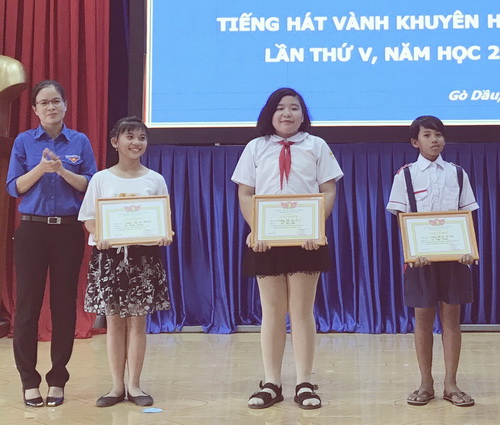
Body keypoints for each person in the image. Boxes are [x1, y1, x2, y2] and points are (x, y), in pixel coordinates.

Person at [231, 88, 343, 409]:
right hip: (266, 240)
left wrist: (315, 226)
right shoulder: (255, 147)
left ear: (303, 115)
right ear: (270, 113)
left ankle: (304, 383)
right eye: (280, 108)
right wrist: (256, 229)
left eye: (294, 108)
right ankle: (272, 383)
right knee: (272, 311)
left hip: (307, 239)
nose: (287, 113)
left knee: (302, 311)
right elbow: (245, 193)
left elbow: (328, 190)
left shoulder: (316, 145)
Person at [6, 80, 97, 407]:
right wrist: (42, 168)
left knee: (63, 307)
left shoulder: (80, 141)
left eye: (56, 101)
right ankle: (29, 381)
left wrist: (61, 171)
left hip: (67, 232)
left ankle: (58, 379)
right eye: (44, 103)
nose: (51, 107)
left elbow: (90, 184)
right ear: (35, 109)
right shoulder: (24, 141)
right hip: (32, 231)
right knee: (27, 308)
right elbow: (14, 187)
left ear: (65, 105)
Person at [78, 116, 171, 407]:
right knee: (115, 322)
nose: (136, 143)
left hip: (144, 258)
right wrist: (101, 234)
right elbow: (89, 219)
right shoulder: (101, 179)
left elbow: (163, 219)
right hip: (110, 258)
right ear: (115, 142)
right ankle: (116, 387)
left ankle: (135, 386)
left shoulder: (155, 179)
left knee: (138, 323)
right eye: (129, 137)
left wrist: (165, 233)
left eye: (141, 137)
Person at [386, 115, 478, 407]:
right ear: (415, 142)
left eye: (438, 134)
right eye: (427, 135)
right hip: (420, 261)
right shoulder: (406, 175)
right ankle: (426, 383)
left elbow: (466, 216)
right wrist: (413, 251)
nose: (434, 140)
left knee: (451, 321)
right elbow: (402, 219)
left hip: (454, 259)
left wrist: (467, 249)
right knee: (423, 322)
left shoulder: (458, 173)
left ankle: (451, 384)